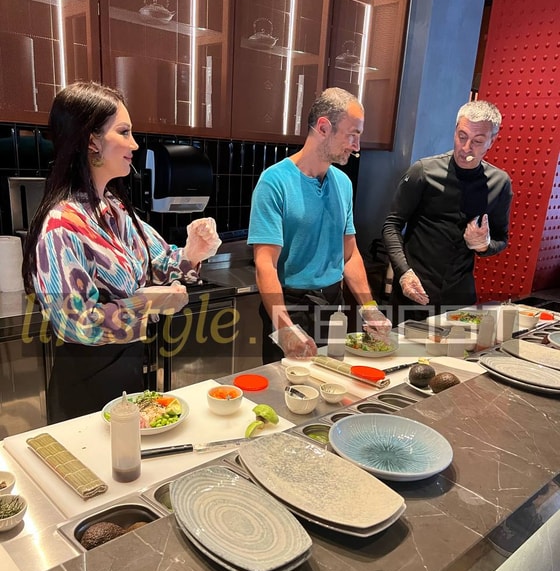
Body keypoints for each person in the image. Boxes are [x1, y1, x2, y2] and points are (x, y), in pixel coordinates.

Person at [22, 81, 221, 423]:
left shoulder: (115, 210)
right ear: (92, 141)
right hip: (84, 391)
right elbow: (76, 324)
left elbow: (158, 263)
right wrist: (146, 304)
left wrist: (193, 251)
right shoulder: (61, 225)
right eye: (124, 132)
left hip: (126, 378)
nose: (134, 144)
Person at [248, 87, 391, 363]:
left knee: (333, 381)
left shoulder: (343, 184)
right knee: (289, 386)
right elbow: (265, 264)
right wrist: (284, 327)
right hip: (290, 307)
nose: (357, 146)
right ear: (324, 127)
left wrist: (370, 307)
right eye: (352, 135)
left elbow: (349, 254)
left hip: (333, 308)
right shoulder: (274, 182)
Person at [382, 100, 513, 321]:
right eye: (462, 136)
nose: (466, 148)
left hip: (460, 296)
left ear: (491, 141)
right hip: (414, 289)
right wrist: (403, 271)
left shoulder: (499, 183)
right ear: (455, 130)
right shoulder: (423, 171)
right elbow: (391, 225)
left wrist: (484, 245)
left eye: (477, 141)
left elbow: (501, 238)